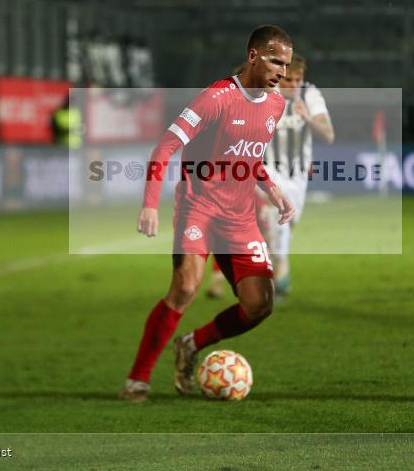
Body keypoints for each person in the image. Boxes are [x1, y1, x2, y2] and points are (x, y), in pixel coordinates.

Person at [120, 25, 296, 402]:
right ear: (253, 56)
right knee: (185, 287)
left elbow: (249, 157)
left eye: (287, 65)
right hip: (198, 208)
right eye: (276, 62)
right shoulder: (215, 99)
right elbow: (165, 147)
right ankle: (138, 378)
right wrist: (150, 203)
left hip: (240, 217)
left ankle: (191, 343)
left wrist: (272, 189)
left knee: (260, 305)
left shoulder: (276, 105)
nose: (282, 72)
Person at [262, 54, 334, 299]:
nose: (293, 85)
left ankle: (272, 266)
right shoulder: (264, 93)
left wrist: (308, 118)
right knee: (275, 218)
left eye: (297, 80)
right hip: (268, 170)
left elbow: (328, 134)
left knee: (286, 227)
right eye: (288, 80)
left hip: (298, 175)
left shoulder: (310, 95)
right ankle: (279, 275)